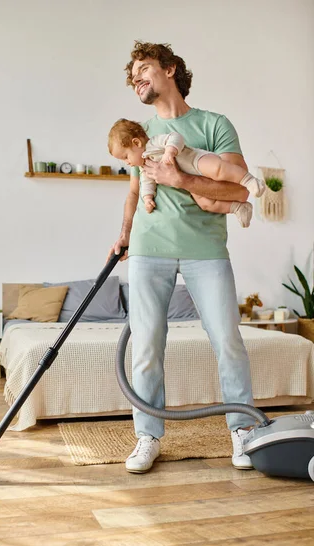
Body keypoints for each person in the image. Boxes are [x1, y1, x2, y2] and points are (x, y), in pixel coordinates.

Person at [108, 41, 257, 474]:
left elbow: (239, 190)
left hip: (205, 252)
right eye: (132, 74)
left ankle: (242, 431)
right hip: (148, 250)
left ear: (170, 70)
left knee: (228, 341)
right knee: (147, 347)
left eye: (144, 68)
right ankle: (148, 436)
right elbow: (135, 193)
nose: (136, 77)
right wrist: (122, 236)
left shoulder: (214, 124)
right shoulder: (140, 133)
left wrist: (181, 177)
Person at [108, 118, 265, 227]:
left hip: (195, 160)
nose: (127, 163)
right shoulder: (144, 166)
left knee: (218, 169)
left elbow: (175, 137)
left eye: (125, 157)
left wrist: (170, 151)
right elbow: (147, 182)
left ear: (136, 143)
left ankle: (249, 180)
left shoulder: (153, 143)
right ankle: (238, 208)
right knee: (205, 204)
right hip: (190, 181)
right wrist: (148, 197)